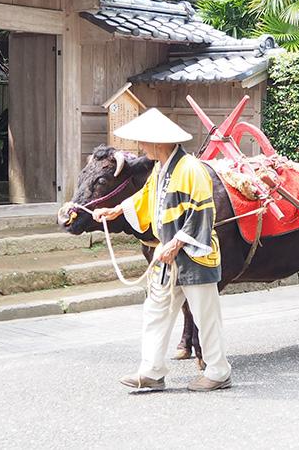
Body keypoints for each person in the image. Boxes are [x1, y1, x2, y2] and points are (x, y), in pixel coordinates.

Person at [92, 108, 231, 393]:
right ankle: (152, 370)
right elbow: (146, 197)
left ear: (159, 142)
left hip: (195, 256)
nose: (141, 148)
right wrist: (116, 210)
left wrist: (177, 243)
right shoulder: (161, 168)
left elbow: (203, 212)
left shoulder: (191, 169)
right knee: (155, 311)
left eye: (144, 142)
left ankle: (219, 372)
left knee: (205, 316)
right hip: (168, 257)